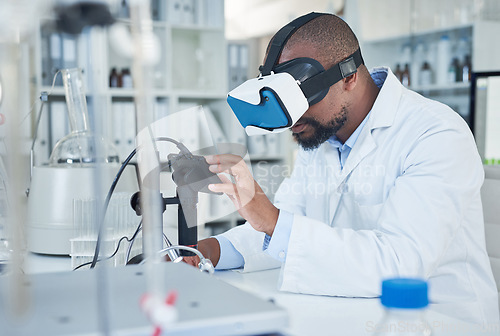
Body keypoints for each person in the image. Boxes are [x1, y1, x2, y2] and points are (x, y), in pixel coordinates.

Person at [186, 13, 499, 326]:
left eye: (302, 98)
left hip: (438, 321)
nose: (293, 119)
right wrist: (206, 252)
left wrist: (271, 218)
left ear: (349, 76)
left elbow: (400, 265)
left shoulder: (436, 134)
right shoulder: (320, 136)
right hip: (352, 315)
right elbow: (279, 234)